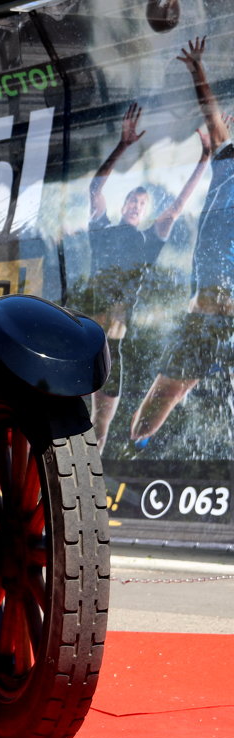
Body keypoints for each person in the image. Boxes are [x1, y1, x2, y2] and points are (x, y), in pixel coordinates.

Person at [83, 101, 208, 451]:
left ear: (145, 211)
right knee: (58, 414)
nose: (136, 206)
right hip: (84, 334)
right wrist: (122, 146)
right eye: (132, 201)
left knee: (101, 426)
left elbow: (178, 206)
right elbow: (95, 190)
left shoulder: (149, 241)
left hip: (113, 345)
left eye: (142, 204)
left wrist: (204, 158)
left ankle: (87, 492)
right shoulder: (102, 229)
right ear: (123, 206)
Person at [130, 37, 234, 447]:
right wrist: (197, 72)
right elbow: (212, 115)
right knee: (156, 408)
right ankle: (135, 449)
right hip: (206, 317)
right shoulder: (227, 159)